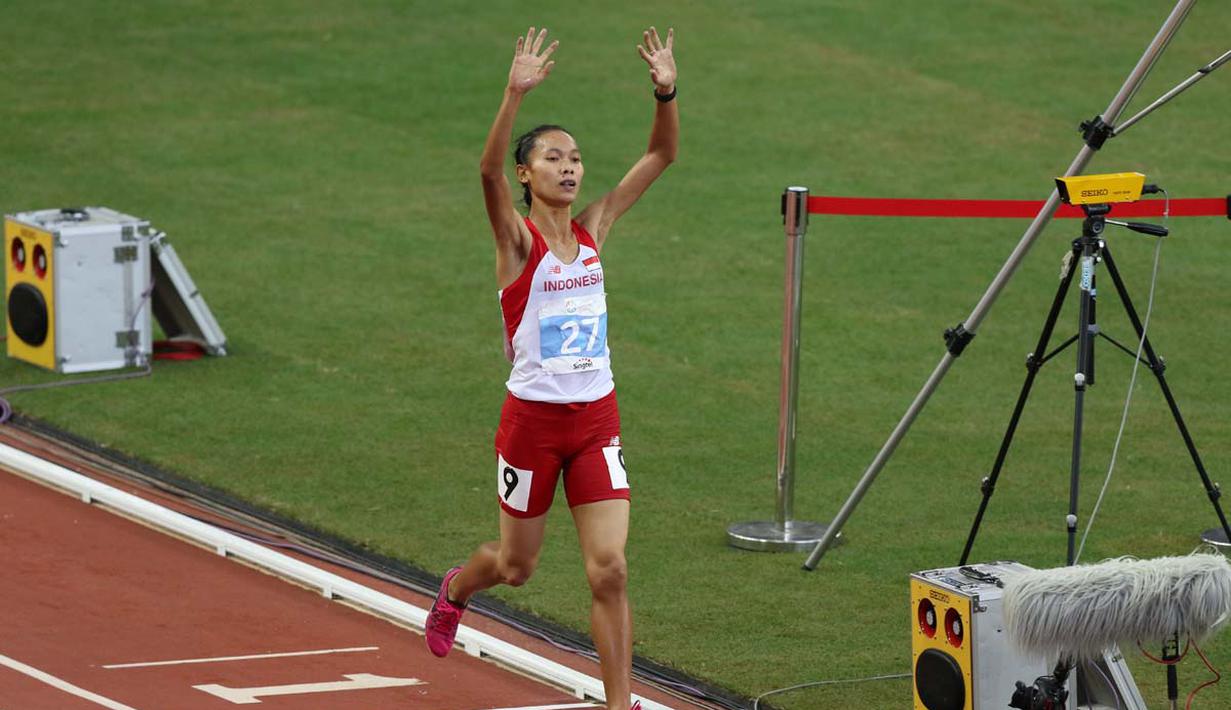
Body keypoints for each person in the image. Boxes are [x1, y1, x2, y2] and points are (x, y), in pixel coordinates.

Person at [424, 25, 678, 710]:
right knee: (516, 567)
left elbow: (660, 154)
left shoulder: (595, 228)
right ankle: (456, 589)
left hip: (596, 420)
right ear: (526, 175)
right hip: (531, 424)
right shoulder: (516, 241)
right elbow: (482, 173)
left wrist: (665, 90)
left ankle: (618, 704)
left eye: (575, 158)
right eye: (553, 158)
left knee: (610, 570)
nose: (569, 167)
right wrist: (513, 94)